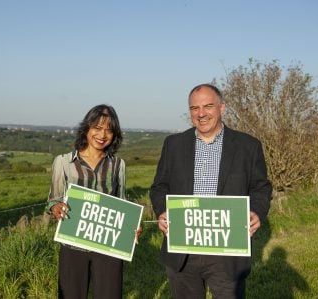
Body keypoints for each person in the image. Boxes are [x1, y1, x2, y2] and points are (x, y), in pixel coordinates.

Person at [150, 84, 272, 299]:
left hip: (227, 250)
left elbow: (261, 188)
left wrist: (255, 211)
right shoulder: (174, 144)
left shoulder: (248, 146)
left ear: (222, 108)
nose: (201, 114)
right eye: (194, 108)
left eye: (208, 106)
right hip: (183, 249)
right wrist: (161, 211)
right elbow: (160, 186)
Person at [47, 104, 139, 299]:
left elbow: (122, 203)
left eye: (109, 130)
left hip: (109, 247)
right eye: (97, 128)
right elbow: (53, 199)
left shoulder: (118, 166)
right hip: (73, 246)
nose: (102, 134)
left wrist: (131, 225)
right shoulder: (63, 162)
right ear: (87, 128)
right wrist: (56, 207)